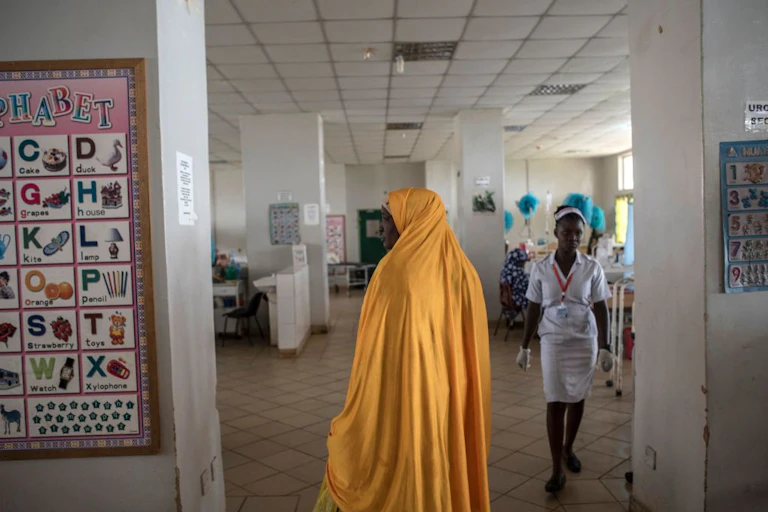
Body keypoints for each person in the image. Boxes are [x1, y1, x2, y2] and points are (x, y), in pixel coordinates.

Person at [314, 188, 492, 512]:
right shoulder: (465, 272)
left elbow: (373, 358)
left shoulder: (393, 272)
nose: (381, 228)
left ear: (411, 220)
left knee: (404, 456)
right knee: (440, 453)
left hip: (401, 393)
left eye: (386, 218)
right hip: (449, 394)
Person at [518, 206, 613, 494]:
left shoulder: (592, 267)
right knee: (555, 400)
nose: (572, 238)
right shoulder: (541, 268)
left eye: (577, 234)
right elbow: (533, 307)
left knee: (578, 397)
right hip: (553, 342)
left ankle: (568, 447)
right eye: (566, 233)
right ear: (556, 234)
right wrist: (525, 346)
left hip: (584, 339)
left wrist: (606, 346)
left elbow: (603, 308)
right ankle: (557, 469)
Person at [500, 247, 529, 321]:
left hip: (506, 301)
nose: (524, 263)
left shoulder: (505, 269)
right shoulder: (518, 271)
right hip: (516, 300)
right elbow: (525, 286)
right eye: (523, 261)